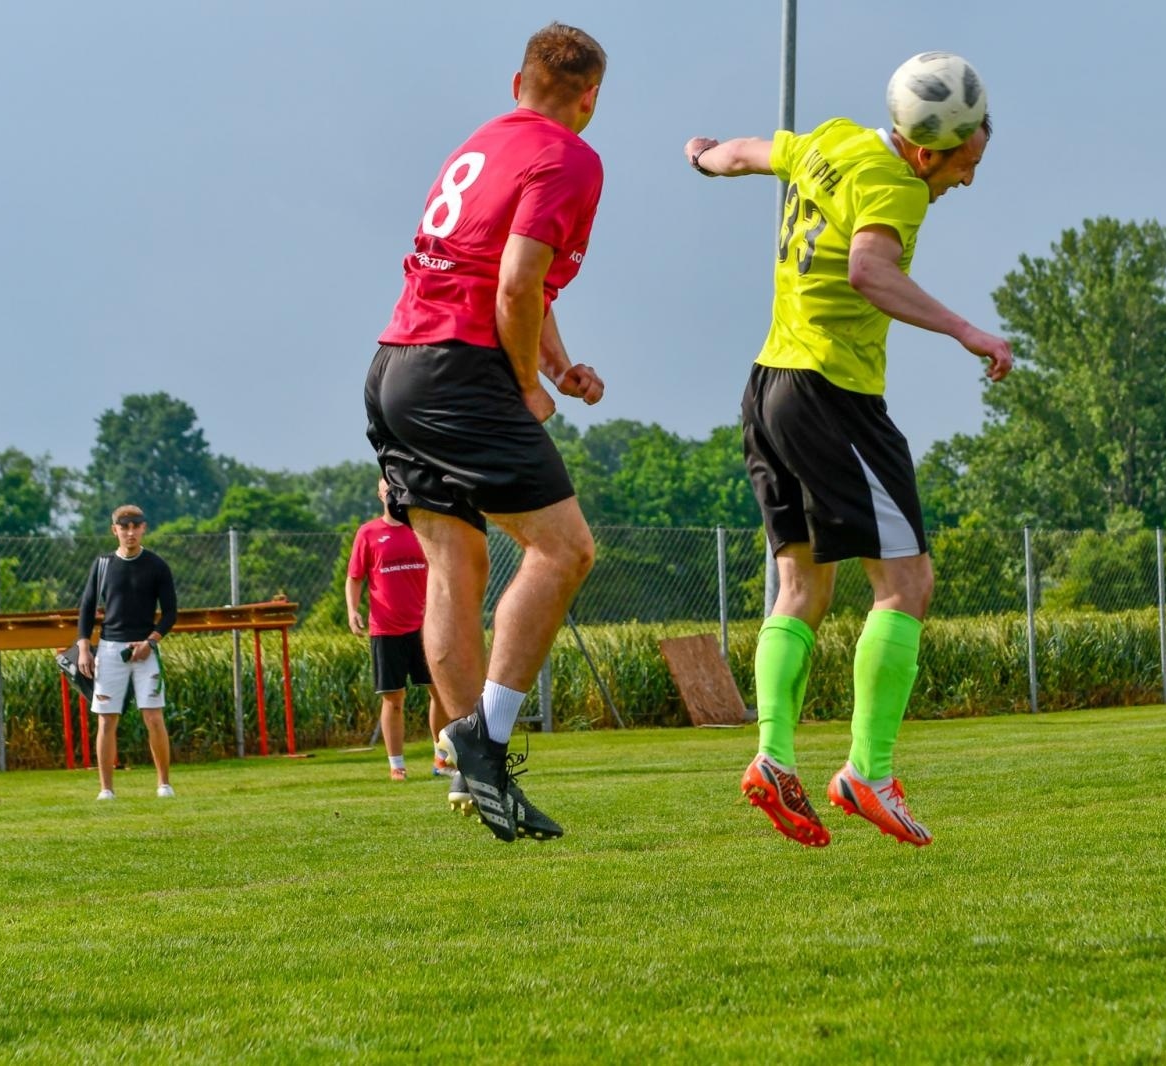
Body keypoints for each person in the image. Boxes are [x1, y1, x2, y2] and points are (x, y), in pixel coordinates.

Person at [684, 93, 1014, 848]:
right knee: (907, 583)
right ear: (929, 151)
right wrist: (966, 329)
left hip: (768, 386)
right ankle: (870, 771)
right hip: (834, 396)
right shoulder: (898, 186)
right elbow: (869, 270)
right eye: (967, 163)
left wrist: (701, 156)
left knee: (801, 586)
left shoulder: (830, 141)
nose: (968, 179)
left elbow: (741, 155)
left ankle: (773, 757)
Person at [364, 22, 608, 843]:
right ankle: (484, 739)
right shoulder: (572, 157)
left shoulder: (484, 141)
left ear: (517, 84)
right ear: (590, 97)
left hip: (395, 364)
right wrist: (530, 387)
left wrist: (561, 363)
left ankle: (473, 771)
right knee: (565, 548)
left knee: (455, 562)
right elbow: (513, 287)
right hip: (458, 370)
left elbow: (514, 284)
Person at [346, 478, 448, 782]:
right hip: (386, 630)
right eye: (387, 489)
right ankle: (397, 766)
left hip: (425, 627)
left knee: (440, 693)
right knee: (394, 699)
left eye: (397, 489)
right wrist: (353, 611)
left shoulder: (422, 528)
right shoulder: (368, 533)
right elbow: (354, 578)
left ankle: (442, 758)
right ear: (379, 493)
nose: (392, 494)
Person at [76, 504, 179, 801]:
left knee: (154, 717)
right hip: (109, 650)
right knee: (106, 719)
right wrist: (84, 647)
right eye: (124, 527)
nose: (130, 532)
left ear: (144, 528)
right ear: (115, 530)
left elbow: (171, 612)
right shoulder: (103, 564)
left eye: (136, 526)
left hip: (145, 649)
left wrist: (151, 641)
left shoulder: (157, 565)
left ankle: (164, 784)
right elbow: (86, 606)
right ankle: (106, 789)